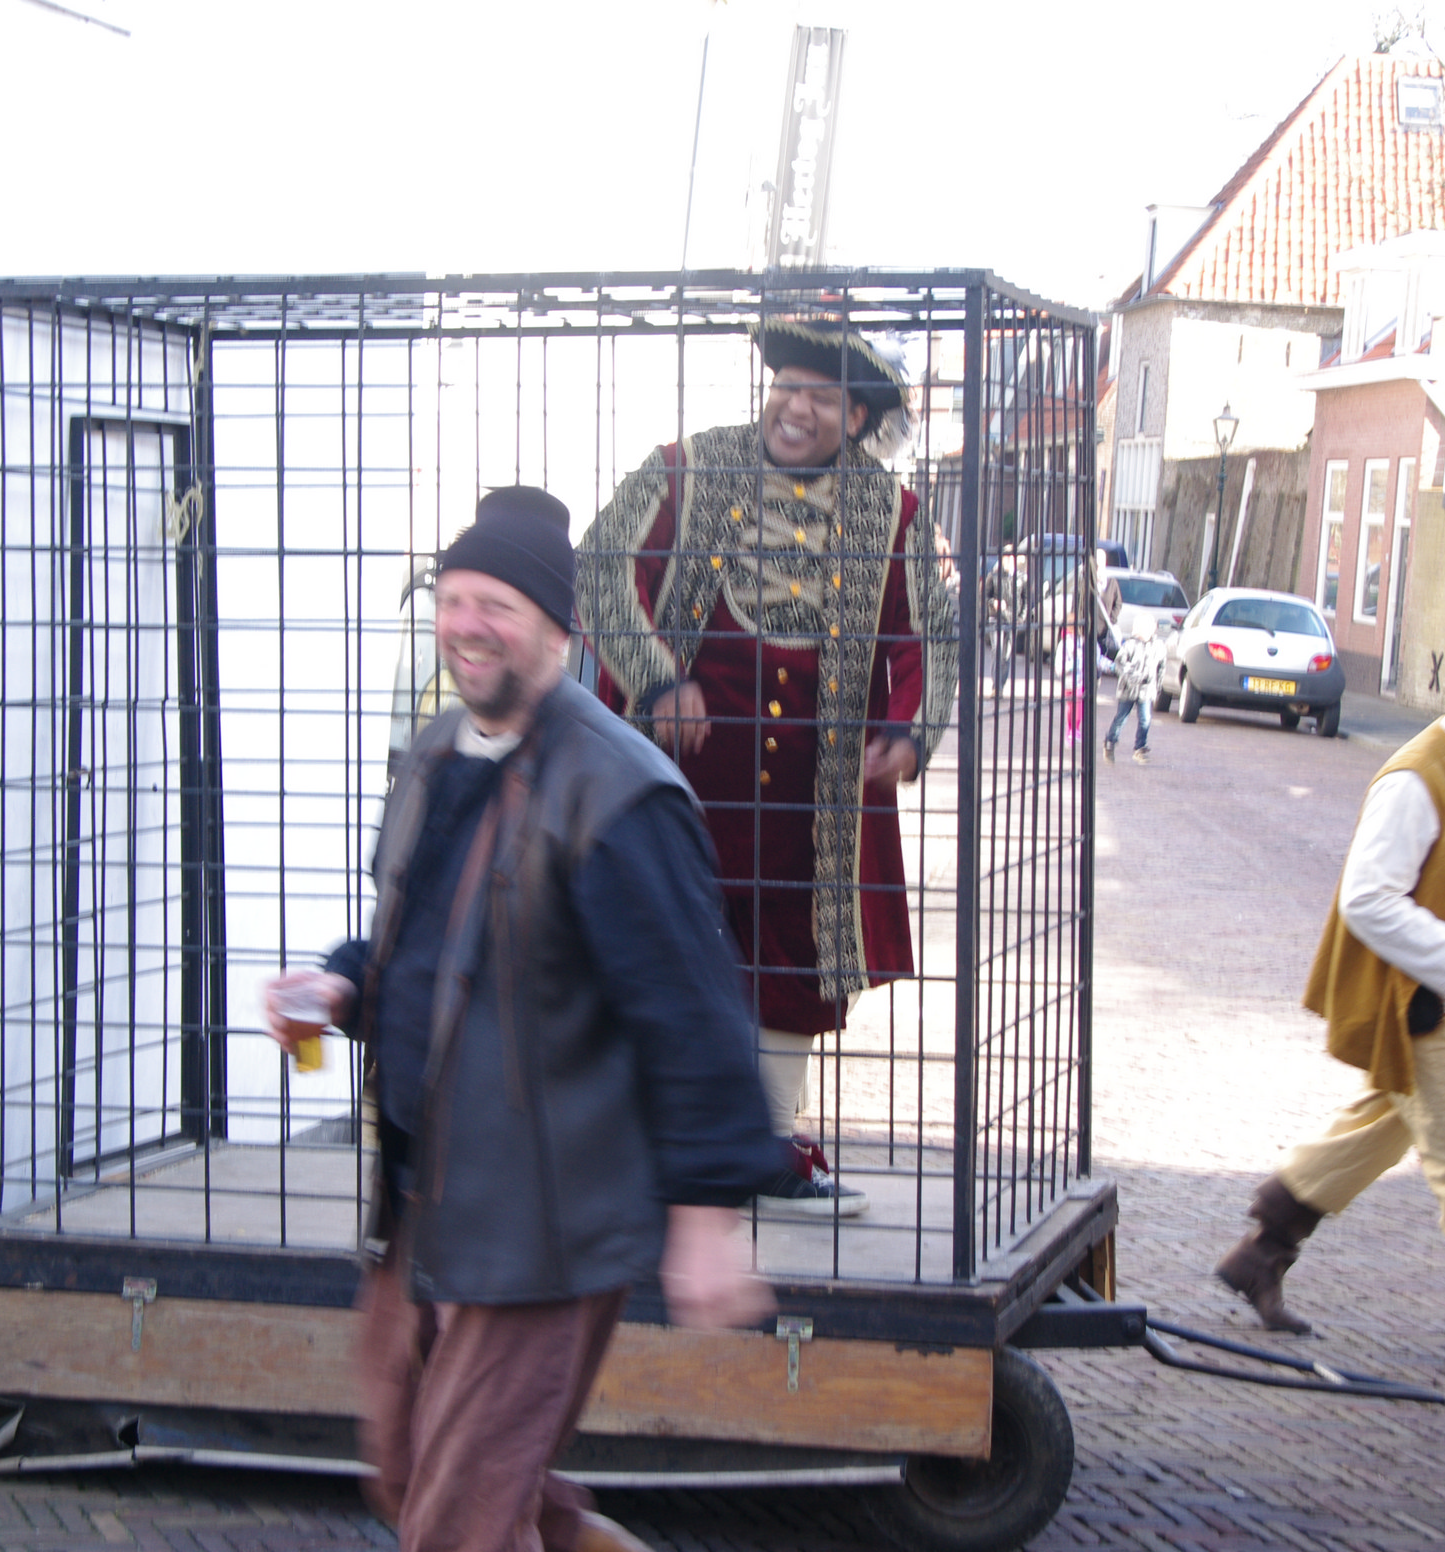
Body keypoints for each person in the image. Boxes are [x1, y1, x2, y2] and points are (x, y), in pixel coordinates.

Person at [263, 487, 779, 1552]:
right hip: (425, 1200)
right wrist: (342, 986)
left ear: (559, 628)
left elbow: (695, 1016)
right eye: (451, 600)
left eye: (495, 604)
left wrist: (704, 1217)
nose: (466, 626)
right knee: (408, 1472)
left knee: (457, 1521)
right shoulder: (436, 754)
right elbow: (429, 948)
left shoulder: (619, 791)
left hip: (541, 1228)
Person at [576, 319, 957, 1218]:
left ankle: (769, 1148)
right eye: (786, 386)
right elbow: (600, 566)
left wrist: (908, 730)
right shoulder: (684, 469)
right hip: (679, 773)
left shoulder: (894, 512)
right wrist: (657, 679)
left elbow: (928, 633)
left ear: (856, 417)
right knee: (662, 932)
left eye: (821, 396)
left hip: (817, 790)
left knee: (795, 956)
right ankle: (645, 1131)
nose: (796, 407)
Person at [1211, 649, 1445, 1387]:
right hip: (1424, 1007)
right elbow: (1367, 900)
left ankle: (1261, 1253)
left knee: (1383, 1125)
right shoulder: (1414, 780)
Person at [1102, 626, 1154, 765]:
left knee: (1145, 719)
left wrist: (1156, 685)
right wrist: (1131, 677)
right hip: (1128, 689)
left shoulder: (1155, 646)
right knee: (1121, 718)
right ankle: (1110, 741)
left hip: (1145, 690)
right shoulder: (1129, 645)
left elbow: (1158, 666)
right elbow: (1119, 664)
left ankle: (1140, 748)